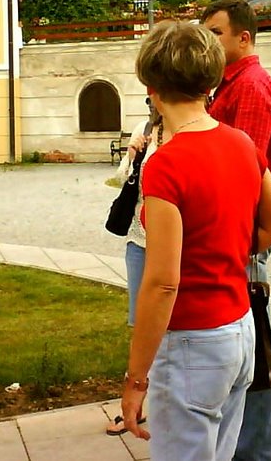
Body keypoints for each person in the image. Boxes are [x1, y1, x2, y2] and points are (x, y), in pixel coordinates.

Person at [120, 21, 271, 461]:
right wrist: (225, 248)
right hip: (239, 331)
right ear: (211, 80)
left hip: (191, 341)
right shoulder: (240, 144)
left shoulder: (167, 165)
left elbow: (162, 283)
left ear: (151, 85)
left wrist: (136, 379)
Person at [201, 0, 271, 461]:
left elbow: (244, 175)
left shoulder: (250, 86)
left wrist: (231, 238)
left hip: (245, 235)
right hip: (237, 233)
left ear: (243, 37)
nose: (209, 41)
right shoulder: (227, 84)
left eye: (215, 33)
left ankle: (255, 449)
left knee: (252, 346)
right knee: (243, 341)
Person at [105, 98, 170, 436]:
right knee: (139, 321)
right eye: (149, 100)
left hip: (172, 242)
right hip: (139, 240)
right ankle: (136, 406)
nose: (153, 105)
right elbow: (121, 182)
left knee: (172, 325)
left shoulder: (183, 134)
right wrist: (132, 156)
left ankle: (166, 401)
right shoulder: (143, 131)